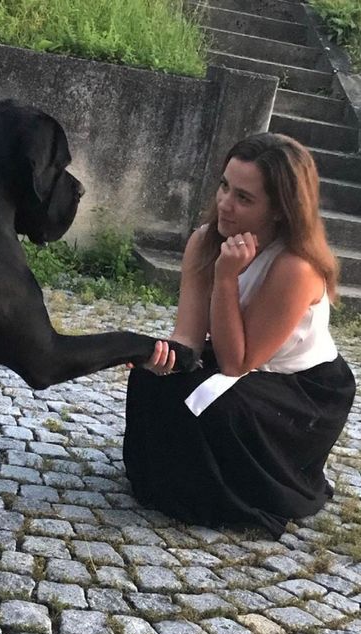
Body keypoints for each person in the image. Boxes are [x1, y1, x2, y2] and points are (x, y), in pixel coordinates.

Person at [123, 132, 356, 538]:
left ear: (281, 210)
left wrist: (227, 278)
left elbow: (237, 362)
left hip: (301, 390)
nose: (225, 204)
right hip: (242, 364)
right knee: (151, 382)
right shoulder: (204, 240)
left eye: (244, 198)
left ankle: (225, 492)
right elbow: (191, 341)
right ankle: (168, 482)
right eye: (224, 186)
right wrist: (158, 358)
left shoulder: (295, 267)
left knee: (217, 409)